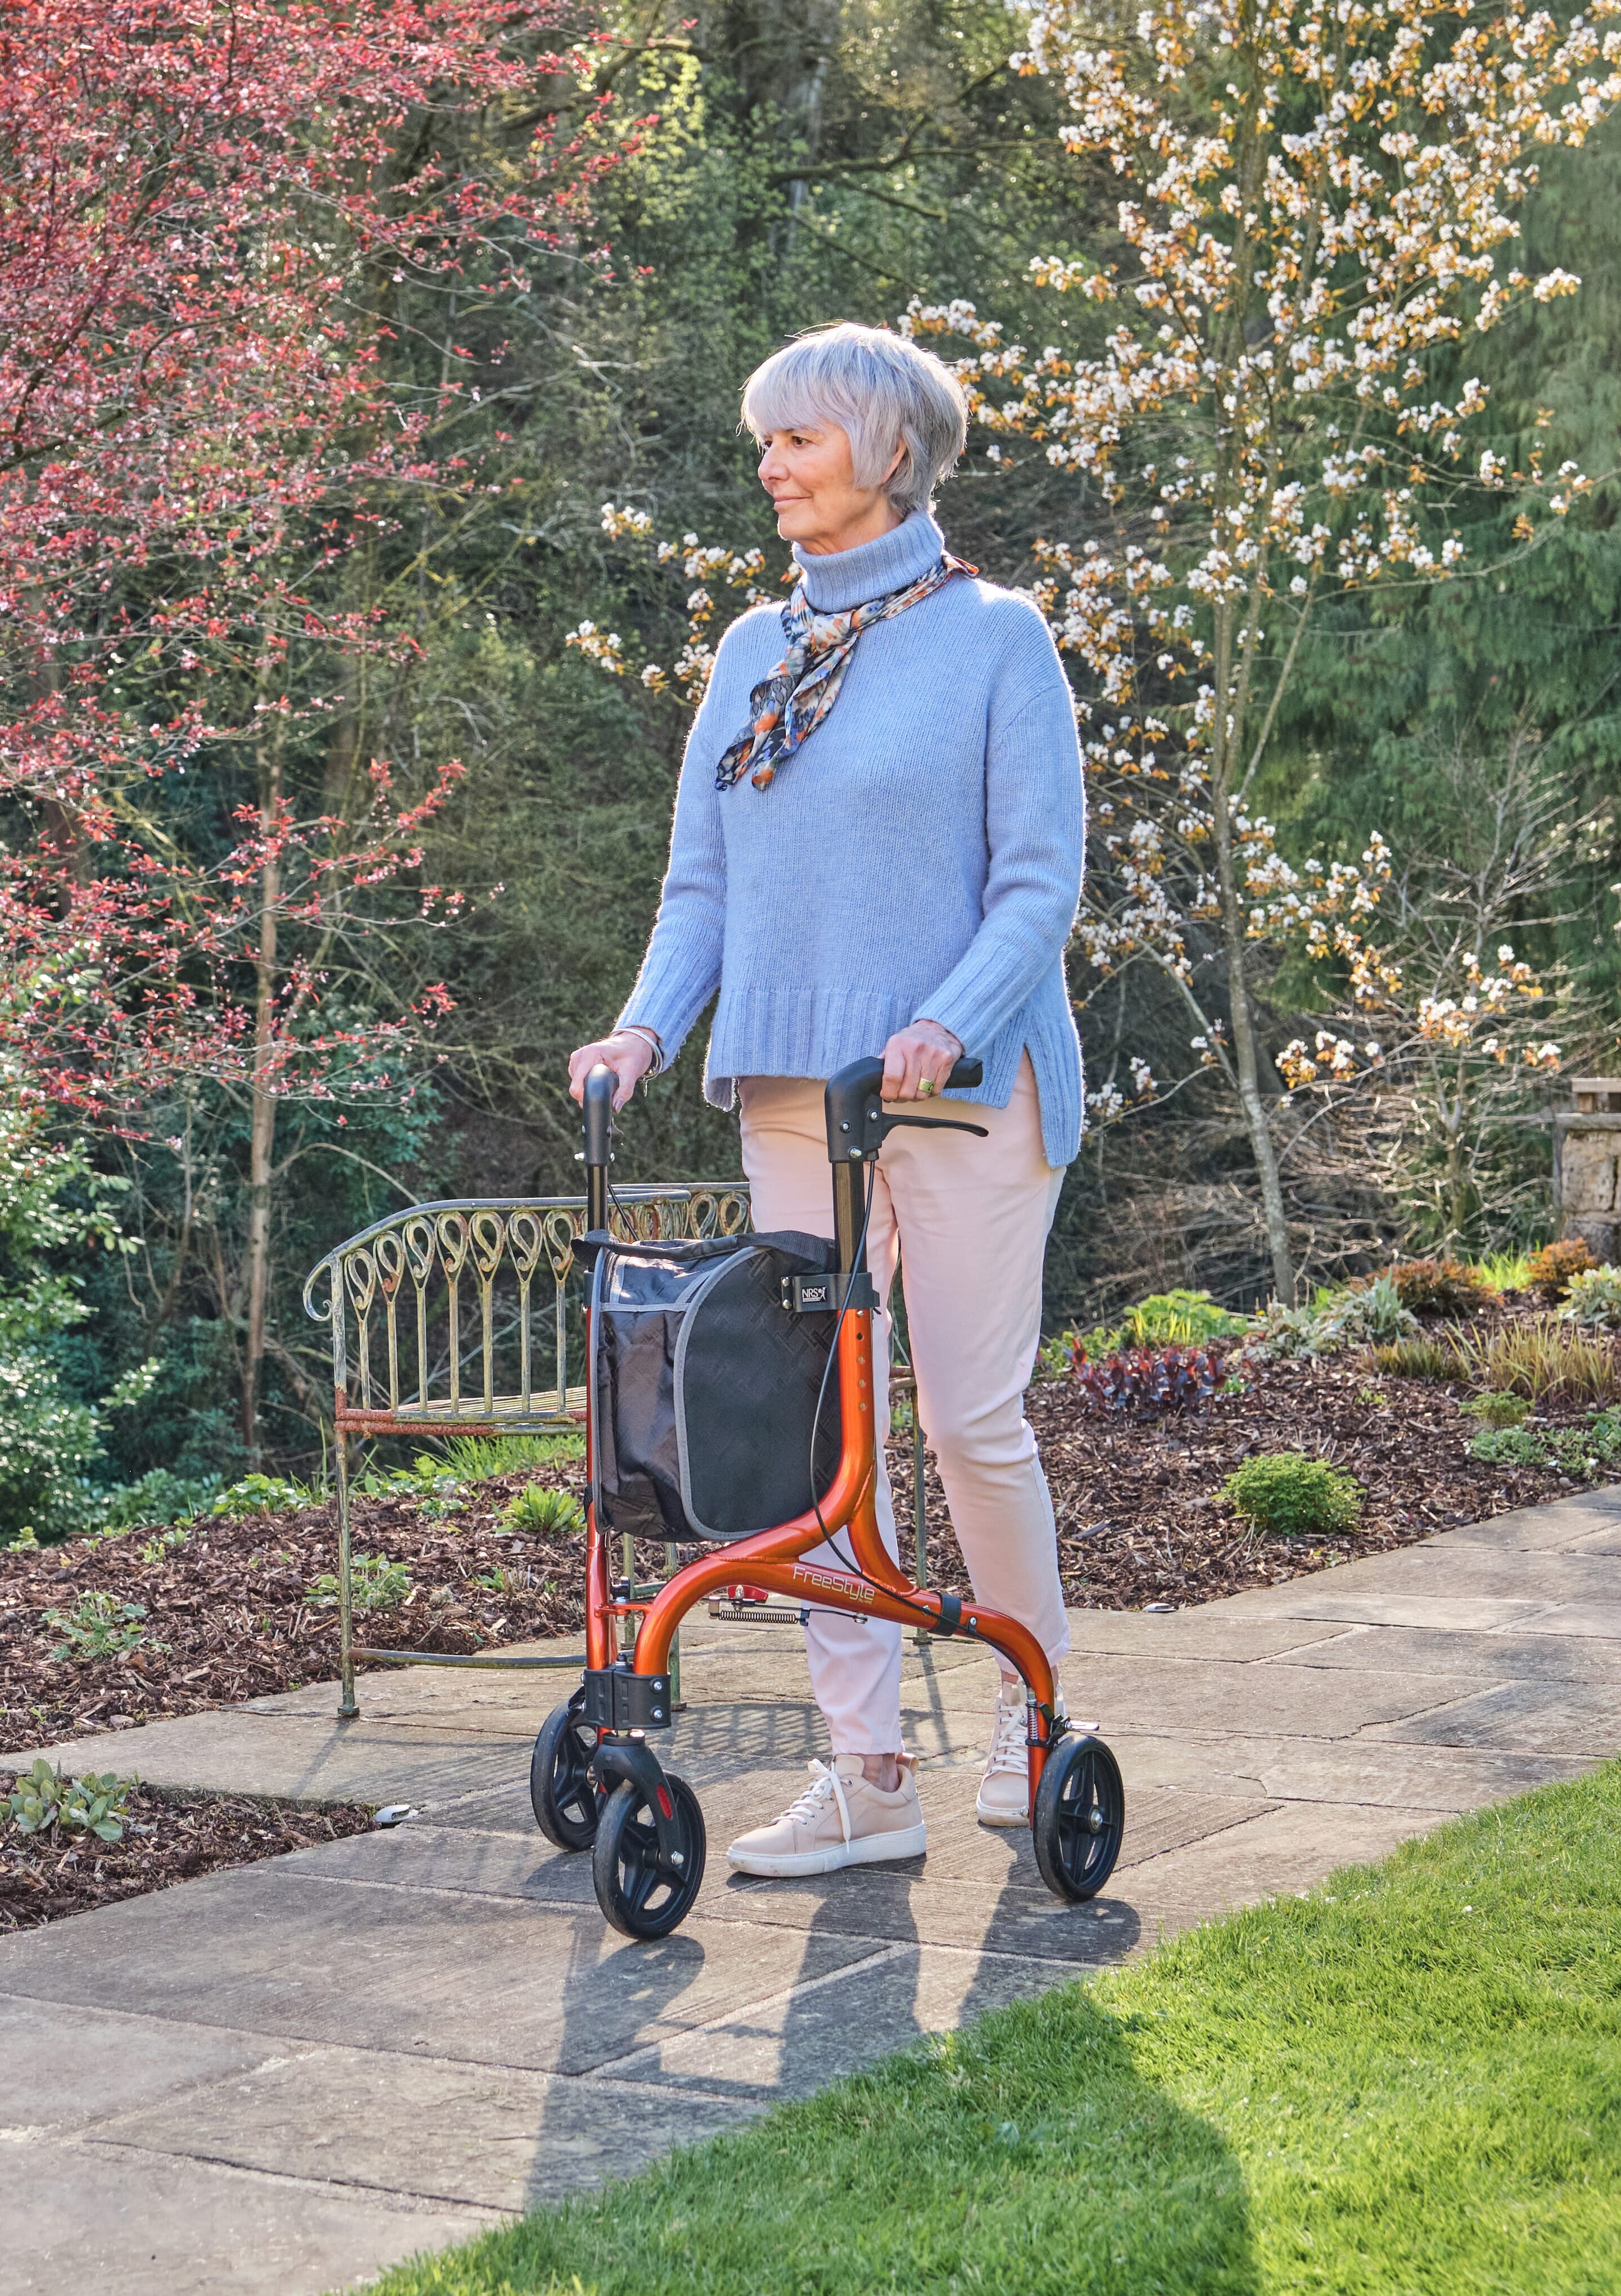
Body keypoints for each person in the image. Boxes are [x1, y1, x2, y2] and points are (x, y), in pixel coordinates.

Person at [567, 320, 1086, 1879]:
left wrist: (948, 1019)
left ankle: (1031, 1717)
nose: (769, 464)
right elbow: (701, 883)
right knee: (814, 1432)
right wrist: (645, 1029)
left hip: (956, 1092)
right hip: (792, 1089)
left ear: (885, 449)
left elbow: (1036, 883)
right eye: (766, 441)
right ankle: (864, 1769)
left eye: (796, 437)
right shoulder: (750, 653)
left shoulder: (997, 637)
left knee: (967, 1418)